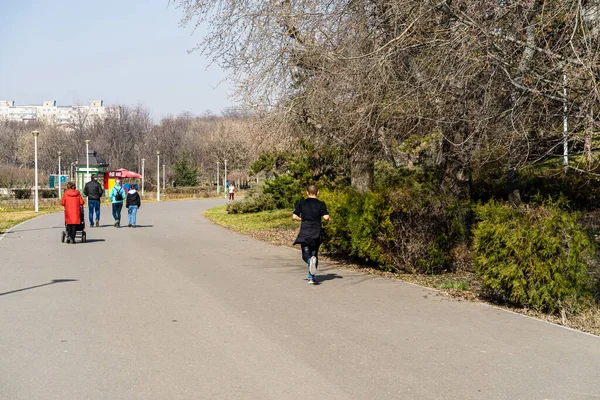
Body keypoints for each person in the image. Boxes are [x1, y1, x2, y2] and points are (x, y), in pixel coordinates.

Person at [293, 185, 330, 284]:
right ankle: (311, 277)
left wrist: (301, 219)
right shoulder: (321, 204)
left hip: (305, 230)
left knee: (306, 254)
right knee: (314, 253)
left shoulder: (302, 203)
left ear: (307, 192)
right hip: (316, 231)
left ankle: (309, 262)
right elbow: (326, 217)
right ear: (317, 193)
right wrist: (328, 220)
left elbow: (294, 216)